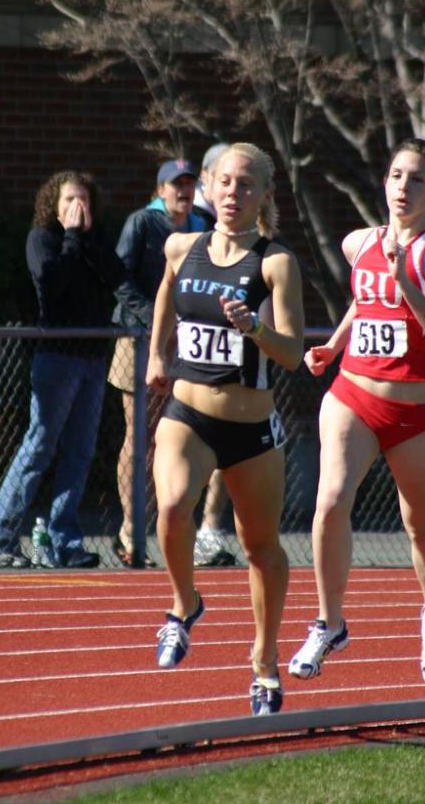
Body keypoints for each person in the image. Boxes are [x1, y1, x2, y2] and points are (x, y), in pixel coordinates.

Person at [288, 138, 425, 687]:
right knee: (331, 501)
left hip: (415, 411)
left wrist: (406, 279)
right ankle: (329, 621)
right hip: (353, 396)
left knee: (422, 527)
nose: (402, 188)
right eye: (395, 176)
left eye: (415, 179)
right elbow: (365, 301)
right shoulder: (359, 242)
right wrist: (336, 345)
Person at [146, 142, 304, 716]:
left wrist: (256, 327)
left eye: (246, 185)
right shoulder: (181, 244)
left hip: (250, 427)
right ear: (209, 188)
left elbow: (290, 353)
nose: (233, 193)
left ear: (263, 196)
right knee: (170, 509)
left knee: (260, 548)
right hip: (187, 412)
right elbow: (167, 285)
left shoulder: (274, 262)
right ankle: (184, 604)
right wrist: (157, 354)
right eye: (225, 182)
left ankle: (264, 663)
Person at [0, 170, 126, 569]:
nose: (76, 208)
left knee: (80, 452)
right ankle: (2, 535)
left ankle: (63, 539)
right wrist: (71, 237)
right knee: (40, 445)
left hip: (92, 359)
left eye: (83, 200)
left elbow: (117, 278)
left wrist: (88, 240)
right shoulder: (43, 239)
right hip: (57, 359)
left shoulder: (94, 242)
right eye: (68, 201)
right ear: (53, 204)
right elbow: (51, 284)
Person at [108, 158, 205, 567]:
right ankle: (131, 531)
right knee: (139, 436)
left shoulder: (203, 225)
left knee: (178, 439)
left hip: (189, 346)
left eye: (189, 183)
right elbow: (118, 276)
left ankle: (173, 529)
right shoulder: (142, 223)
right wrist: (155, 318)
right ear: (159, 189)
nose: (183, 190)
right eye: (174, 184)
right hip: (140, 340)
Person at [191, 141, 238, 569]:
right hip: (182, 366)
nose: (232, 192)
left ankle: (208, 528)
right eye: (223, 180)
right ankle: (138, 529)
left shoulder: (258, 245)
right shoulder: (183, 233)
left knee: (224, 452)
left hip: (231, 370)